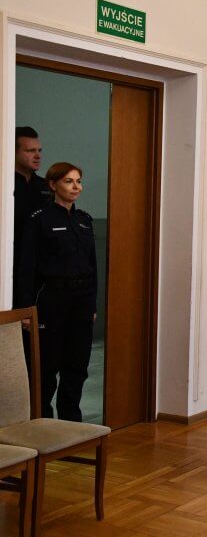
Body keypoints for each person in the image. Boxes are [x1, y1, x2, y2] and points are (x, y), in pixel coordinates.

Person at [15, 162, 97, 422]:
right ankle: (42, 420)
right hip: (52, 300)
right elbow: (26, 268)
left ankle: (71, 421)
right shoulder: (40, 219)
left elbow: (92, 267)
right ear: (53, 185)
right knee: (47, 365)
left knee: (77, 364)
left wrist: (92, 305)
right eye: (68, 181)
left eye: (78, 181)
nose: (76, 187)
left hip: (81, 301)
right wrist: (25, 310)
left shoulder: (84, 221)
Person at [13, 126, 51, 302]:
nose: (37, 156)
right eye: (30, 151)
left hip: (40, 266)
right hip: (11, 260)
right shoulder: (5, 183)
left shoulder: (45, 186)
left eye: (39, 151)